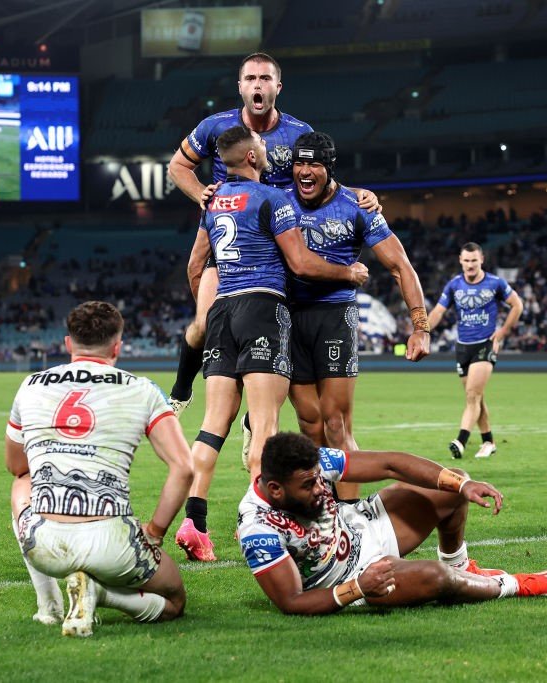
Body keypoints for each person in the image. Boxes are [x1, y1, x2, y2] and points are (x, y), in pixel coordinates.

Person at [175, 125, 368, 562]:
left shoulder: (212, 201)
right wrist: (348, 273)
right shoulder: (272, 199)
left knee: (213, 424)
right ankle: (259, 524)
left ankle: (195, 521)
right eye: (262, 146)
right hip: (262, 308)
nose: (268, 148)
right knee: (264, 424)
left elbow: (194, 264)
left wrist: (209, 313)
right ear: (252, 158)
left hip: (222, 311)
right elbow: (300, 262)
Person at [166, 52, 378, 418]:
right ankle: (182, 386)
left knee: (278, 331)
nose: (257, 85)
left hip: (280, 240)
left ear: (277, 87)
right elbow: (178, 166)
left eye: (265, 79)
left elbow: (316, 174)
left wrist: (355, 192)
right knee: (203, 323)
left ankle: (256, 415)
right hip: (231, 236)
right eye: (250, 79)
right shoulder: (216, 126)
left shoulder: (298, 131)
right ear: (240, 87)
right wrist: (198, 191)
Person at [3, 301, 193, 637]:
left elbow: (16, 465)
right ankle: (102, 594)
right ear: (117, 346)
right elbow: (184, 468)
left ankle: (48, 606)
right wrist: (155, 533)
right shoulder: (143, 390)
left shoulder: (30, 384)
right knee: (174, 600)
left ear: (67, 343)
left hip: (45, 546)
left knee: (22, 482)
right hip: (114, 544)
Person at [238, 431, 547, 614]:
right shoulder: (258, 528)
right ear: (276, 490)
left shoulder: (310, 464)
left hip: (363, 527)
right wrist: (357, 588)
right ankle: (515, 585)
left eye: (318, 480)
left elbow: (390, 464)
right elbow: (291, 601)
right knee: (436, 578)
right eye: (308, 486)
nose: (318, 487)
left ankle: (463, 564)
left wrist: (462, 486)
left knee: (452, 481)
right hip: (355, 577)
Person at [283, 132, 430, 500]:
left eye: (313, 163)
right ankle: (319, 508)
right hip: (289, 317)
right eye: (299, 163)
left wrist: (420, 326)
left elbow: (400, 265)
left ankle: (350, 516)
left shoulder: (358, 206)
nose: (305, 171)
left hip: (335, 316)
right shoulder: (279, 201)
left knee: (336, 423)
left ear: (328, 168)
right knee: (309, 424)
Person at [428, 243, 523, 460]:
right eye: (466, 260)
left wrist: (503, 332)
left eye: (474, 260)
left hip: (485, 345)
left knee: (472, 395)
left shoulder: (495, 283)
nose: (470, 265)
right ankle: (488, 441)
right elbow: (438, 312)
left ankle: (460, 441)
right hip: (462, 347)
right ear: (460, 261)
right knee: (476, 397)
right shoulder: (454, 285)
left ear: (482, 260)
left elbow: (517, 305)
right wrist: (422, 331)